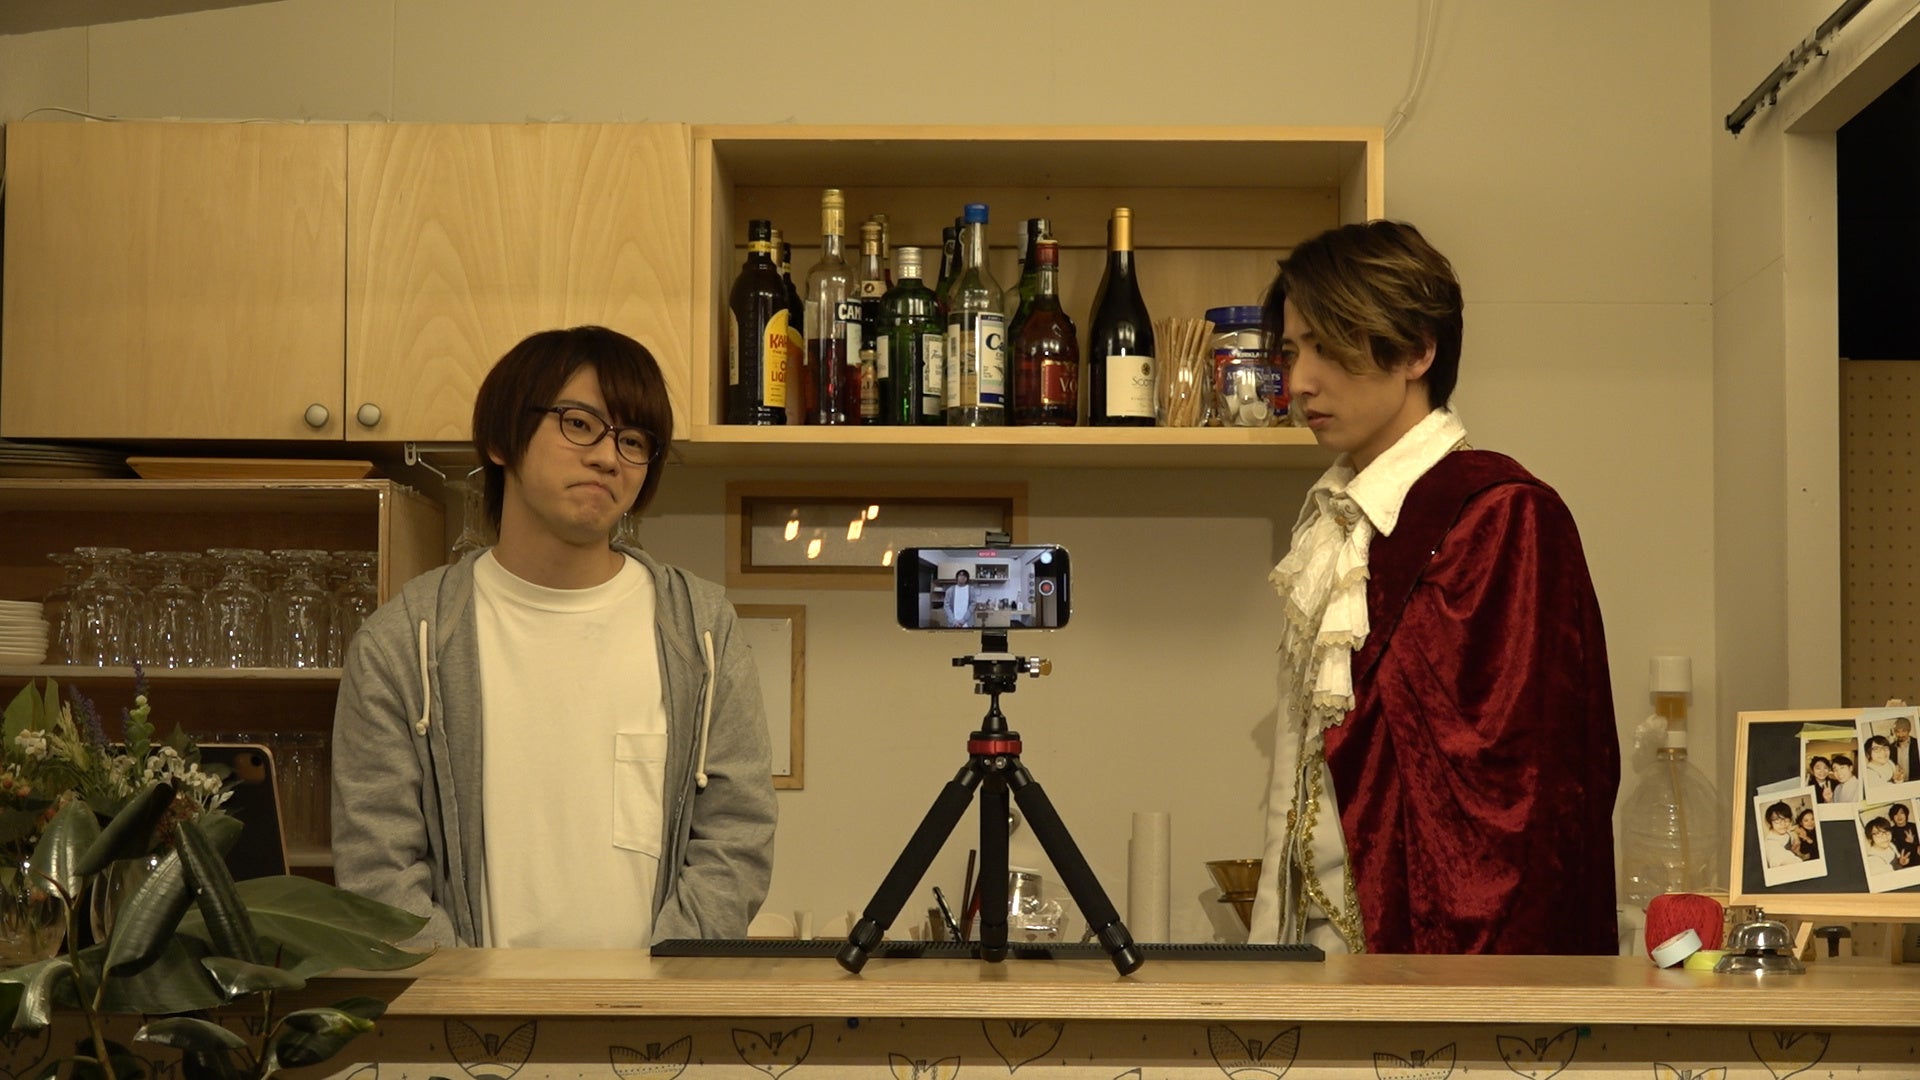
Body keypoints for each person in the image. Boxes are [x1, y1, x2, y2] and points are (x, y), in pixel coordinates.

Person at [331, 326, 778, 948]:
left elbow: (737, 836)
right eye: (579, 424)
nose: (608, 457)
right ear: (500, 440)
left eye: (633, 440)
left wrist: (657, 983)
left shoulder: (700, 631)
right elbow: (377, 865)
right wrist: (467, 993)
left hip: (654, 1003)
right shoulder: (405, 642)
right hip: (466, 1005)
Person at [1248, 220, 1619, 956]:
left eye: (1329, 345)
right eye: (1291, 352)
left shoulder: (1502, 516)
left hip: (1441, 962)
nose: (1301, 382)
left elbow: (1531, 799)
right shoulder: (1335, 525)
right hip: (1322, 953)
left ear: (1418, 350)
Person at [1761, 802, 1799, 868]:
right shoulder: (1770, 842)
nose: (1783, 824)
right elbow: (1779, 859)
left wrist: (1796, 840)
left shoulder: (1786, 831)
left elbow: (1792, 831)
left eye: (1786, 819)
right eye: (1777, 820)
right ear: (1770, 822)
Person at [1889, 716, 1919, 783]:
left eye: (1904, 731)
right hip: (1899, 783)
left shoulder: (1917, 744)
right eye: (1897, 731)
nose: (1900, 734)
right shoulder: (1891, 747)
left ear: (1909, 731)